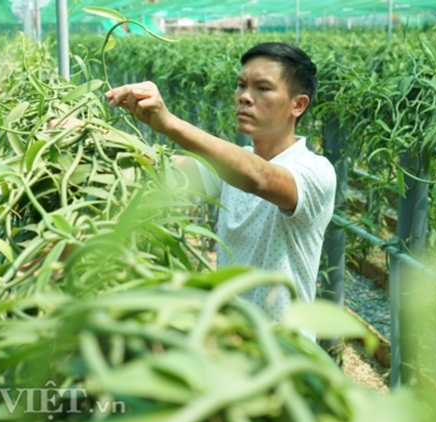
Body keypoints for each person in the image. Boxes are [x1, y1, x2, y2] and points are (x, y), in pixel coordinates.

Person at [105, 42, 336, 324]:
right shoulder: (231, 168)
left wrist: (169, 123)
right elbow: (156, 170)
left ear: (298, 105)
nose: (245, 97)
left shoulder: (315, 172)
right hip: (230, 343)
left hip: (282, 353)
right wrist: (88, 133)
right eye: (241, 86)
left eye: (263, 88)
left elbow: (260, 177)